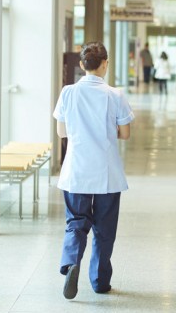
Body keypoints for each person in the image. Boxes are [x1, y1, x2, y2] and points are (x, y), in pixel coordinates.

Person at [53, 41, 135, 299]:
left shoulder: (68, 92)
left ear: (81, 65)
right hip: (106, 173)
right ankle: (99, 281)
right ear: (105, 64)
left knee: (75, 223)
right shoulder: (115, 95)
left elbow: (61, 132)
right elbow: (125, 134)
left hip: (76, 169)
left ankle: (71, 264)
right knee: (104, 229)